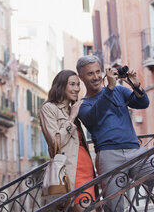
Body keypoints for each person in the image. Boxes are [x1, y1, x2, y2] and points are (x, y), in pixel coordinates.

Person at [76, 55, 154, 212]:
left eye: (97, 72)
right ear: (81, 76)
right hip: (109, 157)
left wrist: (135, 85)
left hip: (135, 152)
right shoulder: (82, 105)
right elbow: (95, 115)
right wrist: (109, 88)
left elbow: (143, 103)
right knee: (114, 206)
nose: (96, 77)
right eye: (90, 74)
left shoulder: (119, 90)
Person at [39, 70, 97, 211]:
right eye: (72, 84)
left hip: (88, 171)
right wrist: (71, 119)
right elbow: (55, 142)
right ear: (61, 86)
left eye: (78, 84)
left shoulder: (72, 109)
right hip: (71, 172)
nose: (76, 88)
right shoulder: (49, 109)